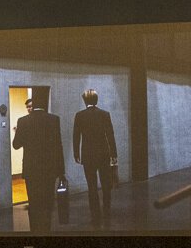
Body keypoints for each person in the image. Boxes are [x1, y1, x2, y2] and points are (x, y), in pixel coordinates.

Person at [12, 91, 65, 233]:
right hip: (50, 169)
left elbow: (16, 145)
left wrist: (19, 132)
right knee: (47, 205)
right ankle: (46, 231)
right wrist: (61, 172)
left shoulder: (23, 121)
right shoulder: (54, 119)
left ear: (33, 104)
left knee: (34, 204)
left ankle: (34, 231)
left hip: (31, 170)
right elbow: (58, 146)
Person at [72, 89, 117, 228]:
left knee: (92, 185)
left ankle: (95, 213)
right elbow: (110, 135)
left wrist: (76, 154)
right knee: (106, 184)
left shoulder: (79, 115)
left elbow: (76, 136)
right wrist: (114, 154)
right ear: (96, 100)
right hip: (103, 154)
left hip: (88, 155)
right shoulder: (104, 114)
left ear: (84, 101)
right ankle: (107, 210)